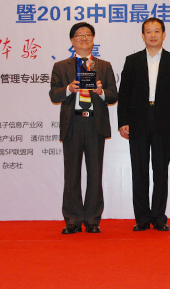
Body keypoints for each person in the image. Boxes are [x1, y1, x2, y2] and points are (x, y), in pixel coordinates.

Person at [118, 17, 170, 232]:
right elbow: (124, 94)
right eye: (149, 31)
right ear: (143, 36)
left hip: (163, 120)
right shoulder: (132, 60)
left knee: (160, 170)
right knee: (139, 171)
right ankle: (142, 218)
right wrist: (123, 121)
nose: (153, 35)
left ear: (164, 35)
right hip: (137, 120)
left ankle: (158, 217)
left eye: (157, 31)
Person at [49, 22, 118, 234]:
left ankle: (92, 220)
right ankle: (72, 219)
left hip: (95, 124)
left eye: (88, 34)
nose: (84, 38)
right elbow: (54, 94)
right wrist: (68, 89)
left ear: (93, 39)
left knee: (95, 173)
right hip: (73, 123)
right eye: (79, 35)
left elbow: (114, 95)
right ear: (72, 41)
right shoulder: (61, 66)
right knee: (71, 173)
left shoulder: (104, 66)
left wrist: (101, 92)